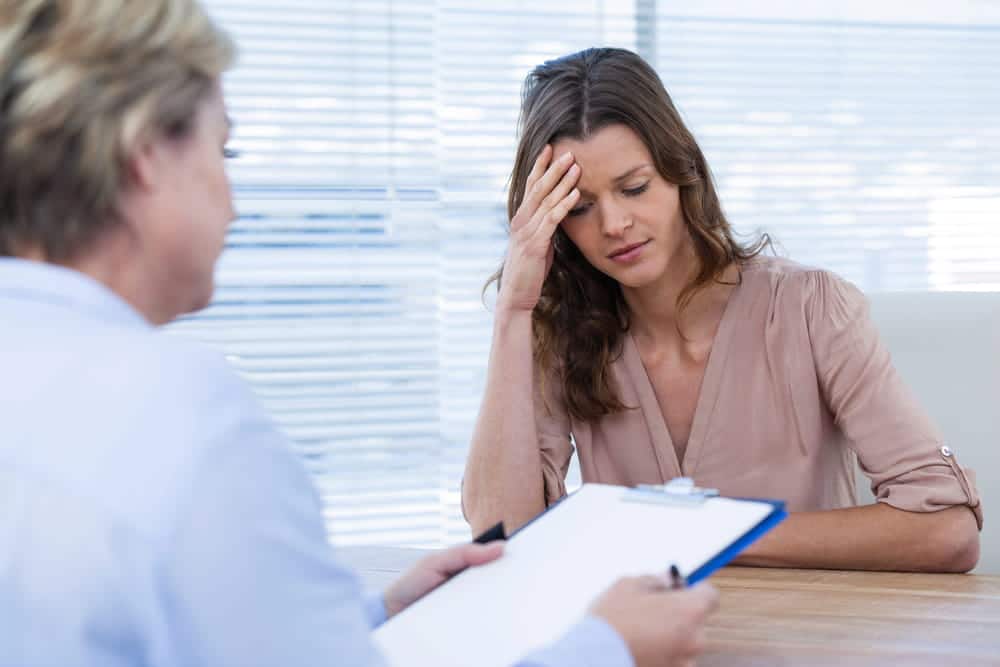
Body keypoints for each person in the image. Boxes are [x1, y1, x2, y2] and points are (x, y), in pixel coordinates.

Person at [0, 3, 718, 666]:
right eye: (224, 153)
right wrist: (609, 646)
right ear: (146, 158)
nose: (233, 201)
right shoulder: (184, 418)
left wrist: (372, 616)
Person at [463, 47, 982, 573]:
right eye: (579, 208)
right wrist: (515, 308)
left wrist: (708, 533)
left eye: (634, 188)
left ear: (682, 172)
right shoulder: (563, 333)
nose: (614, 223)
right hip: (639, 646)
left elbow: (947, 530)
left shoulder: (811, 309)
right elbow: (498, 535)